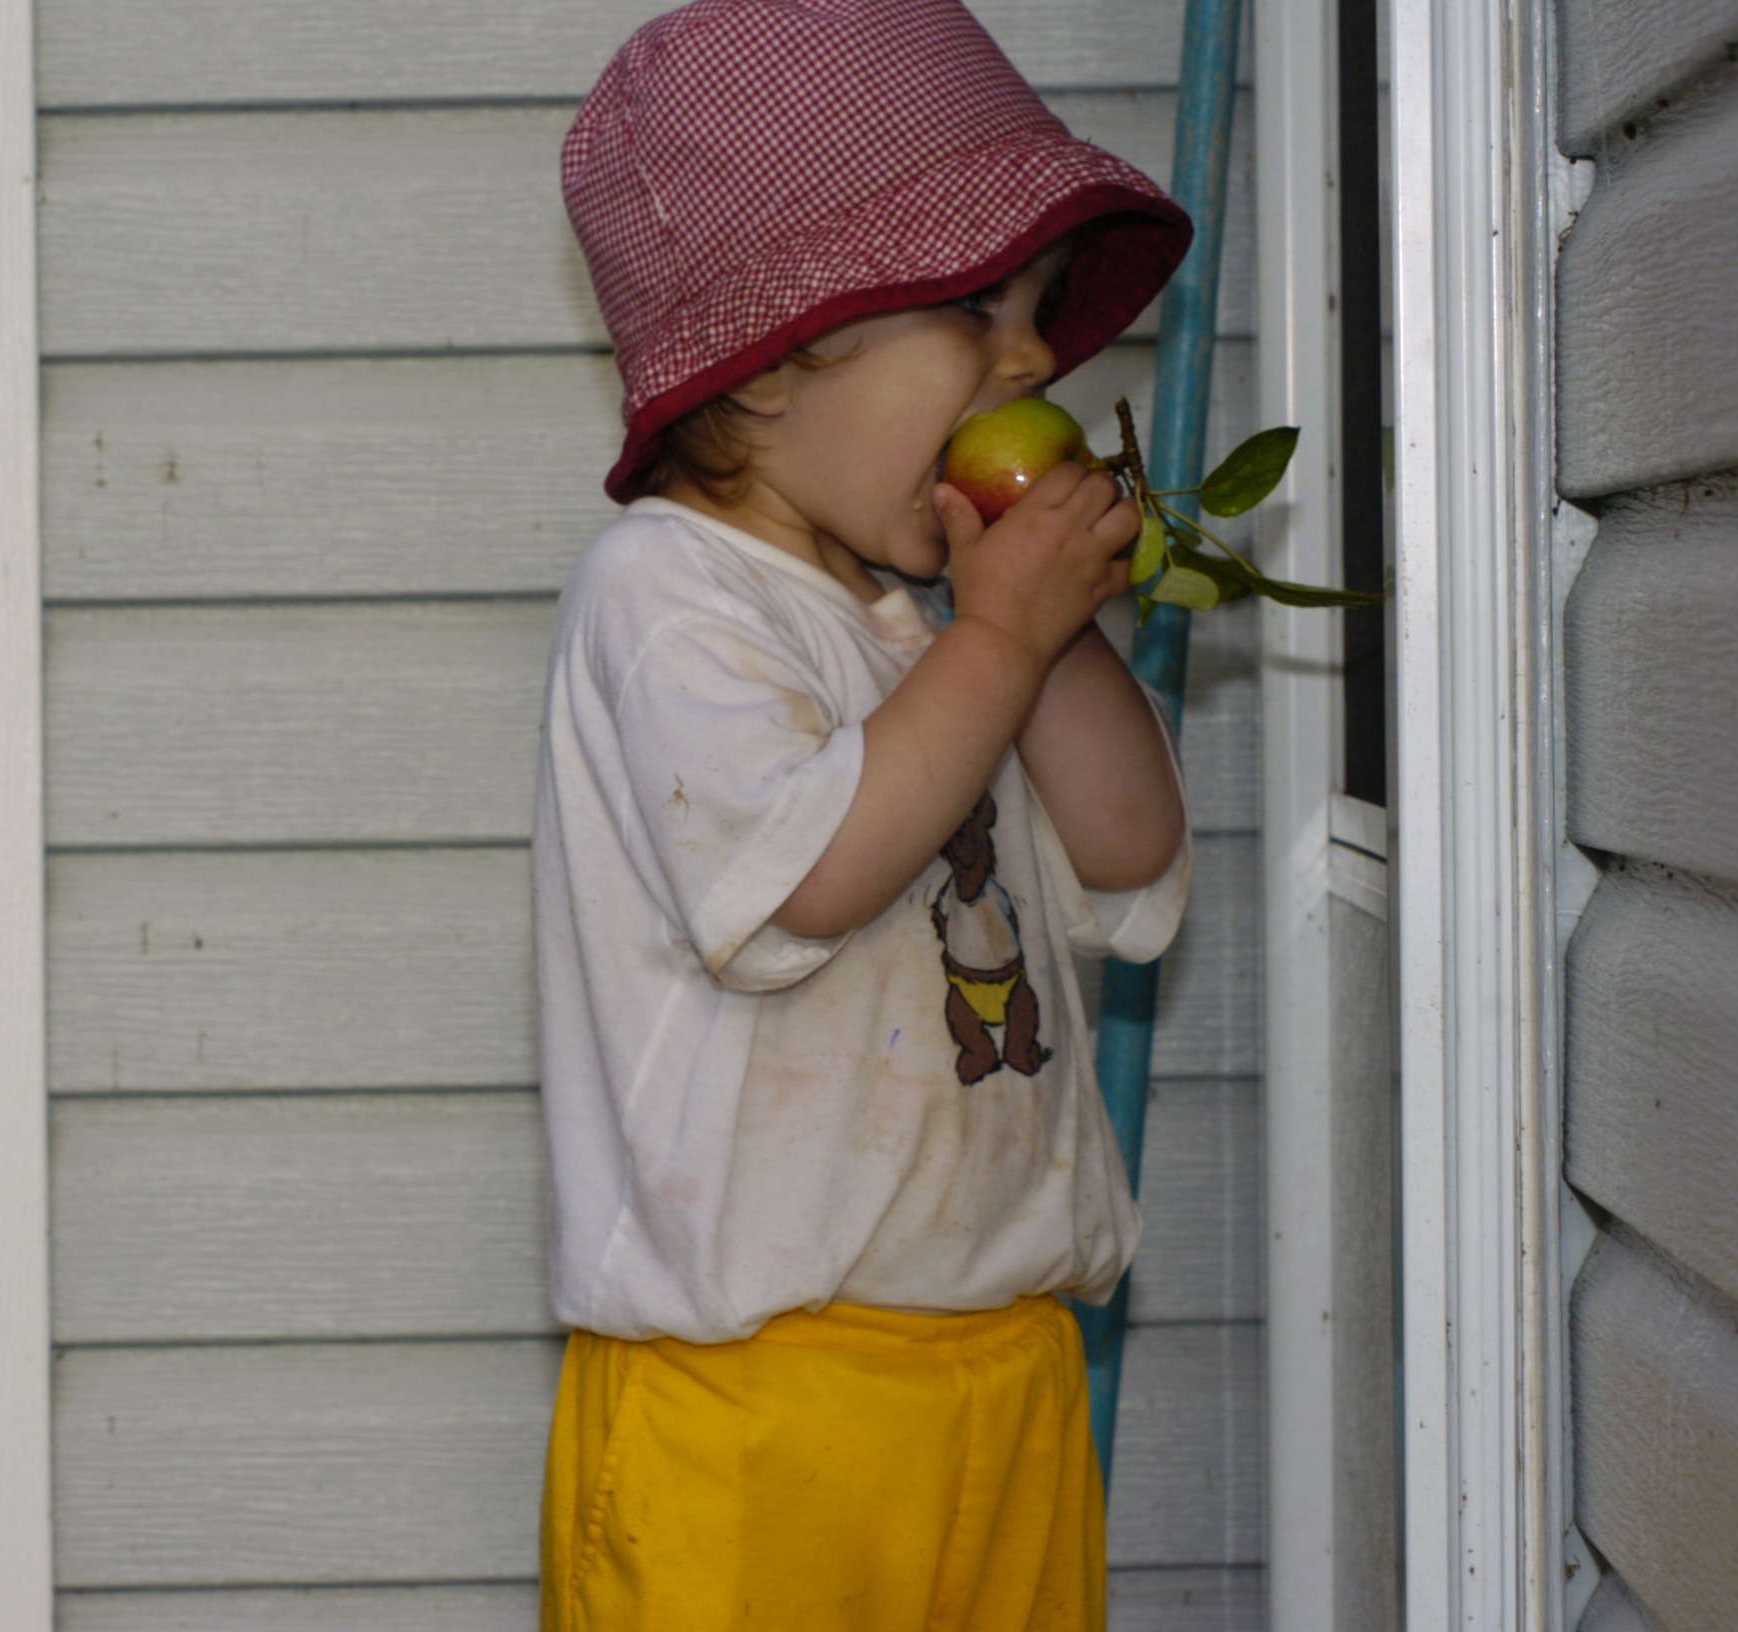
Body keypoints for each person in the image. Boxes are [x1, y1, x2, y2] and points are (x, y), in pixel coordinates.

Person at [533, 1, 1195, 1625]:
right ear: (770, 363)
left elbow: (1131, 852)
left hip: (1007, 1372)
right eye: (975, 307)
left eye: (1038, 309)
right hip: (762, 1415)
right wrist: (998, 641)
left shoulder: (936, 632)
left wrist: (1042, 627)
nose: (1030, 362)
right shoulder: (668, 597)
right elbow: (808, 877)